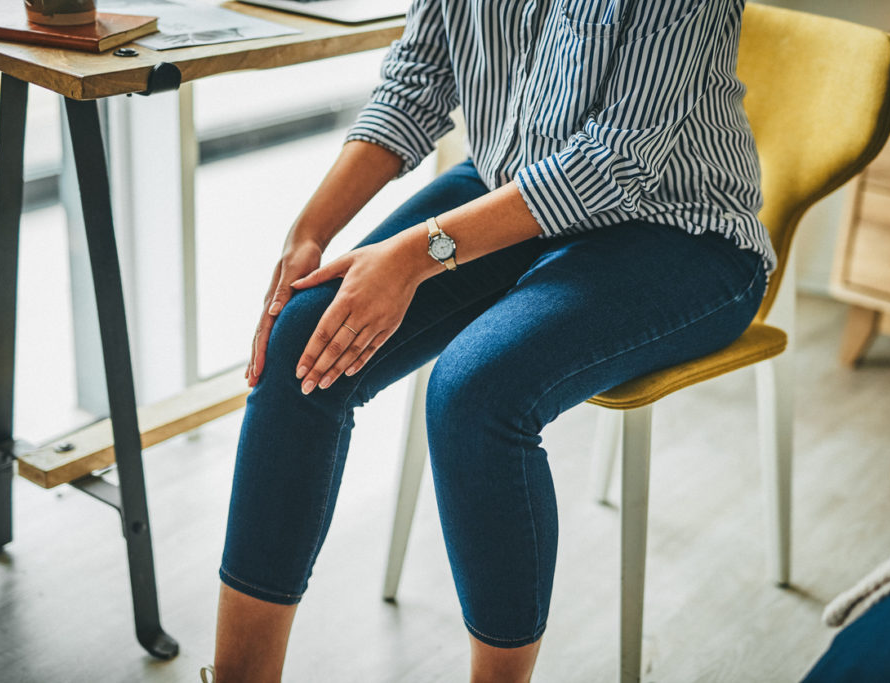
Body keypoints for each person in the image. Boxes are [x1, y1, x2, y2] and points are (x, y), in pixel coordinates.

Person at [204, 0, 775, 680]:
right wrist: (309, 231)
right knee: (303, 339)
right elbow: (417, 80)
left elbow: (617, 161)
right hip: (511, 184)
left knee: (475, 393)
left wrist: (414, 256)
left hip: (680, 229)